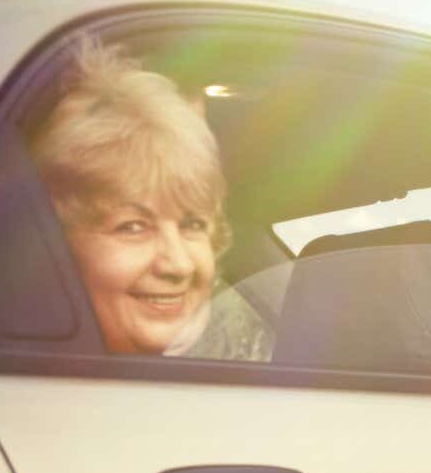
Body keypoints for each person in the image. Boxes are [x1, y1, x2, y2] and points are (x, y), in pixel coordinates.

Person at [27, 38, 266, 360]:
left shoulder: (244, 350)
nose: (178, 264)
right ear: (52, 244)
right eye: (133, 227)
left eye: (192, 224)